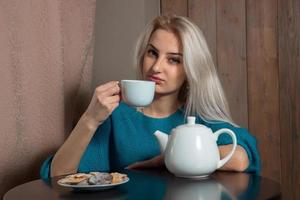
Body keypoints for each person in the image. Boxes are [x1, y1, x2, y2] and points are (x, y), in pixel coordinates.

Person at [40, 15, 261, 179]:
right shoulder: (115, 117)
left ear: (191, 69)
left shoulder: (198, 118)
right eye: (152, 53)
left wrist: (165, 159)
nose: (156, 67)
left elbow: (240, 158)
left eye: (173, 60)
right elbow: (58, 176)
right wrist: (90, 119)